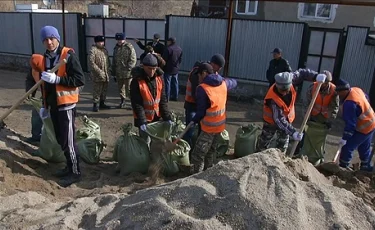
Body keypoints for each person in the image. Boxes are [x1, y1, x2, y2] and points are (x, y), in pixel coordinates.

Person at [38, 25, 85, 187]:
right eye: (45, 40)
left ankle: (76, 172)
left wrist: (58, 80)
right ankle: (69, 166)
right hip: (54, 105)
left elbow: (79, 79)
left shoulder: (68, 55)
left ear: (57, 38)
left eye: (51, 38)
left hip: (66, 105)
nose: (49, 42)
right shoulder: (45, 58)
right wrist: (45, 105)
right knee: (60, 139)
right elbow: (46, 85)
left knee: (68, 140)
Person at [256, 70, 326, 153]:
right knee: (263, 144)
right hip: (271, 122)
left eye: (287, 90)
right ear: (277, 86)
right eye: (282, 91)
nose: (285, 93)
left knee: (282, 145)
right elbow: (278, 119)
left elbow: (302, 73)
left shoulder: (291, 78)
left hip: (287, 120)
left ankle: (280, 160)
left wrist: (315, 76)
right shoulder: (273, 99)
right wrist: (293, 132)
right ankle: (258, 159)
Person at [190, 63, 237, 173]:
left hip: (209, 128)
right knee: (211, 150)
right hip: (220, 126)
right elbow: (234, 82)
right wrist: (225, 80)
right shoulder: (223, 83)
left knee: (198, 154)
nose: (199, 78)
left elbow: (201, 112)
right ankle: (209, 172)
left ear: (204, 73)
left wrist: (194, 120)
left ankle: (194, 176)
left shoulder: (202, 89)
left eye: (199, 75)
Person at [183, 54, 226, 146]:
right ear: (213, 64)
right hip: (192, 105)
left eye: (220, 68)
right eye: (218, 67)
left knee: (201, 130)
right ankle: (186, 151)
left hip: (203, 108)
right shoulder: (197, 73)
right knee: (189, 129)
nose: (218, 70)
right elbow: (196, 94)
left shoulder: (214, 74)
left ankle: (196, 148)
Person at [294, 71, 340, 156]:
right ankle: (299, 150)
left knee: (321, 135)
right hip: (313, 115)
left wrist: (330, 119)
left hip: (324, 117)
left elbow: (334, 107)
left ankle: (319, 153)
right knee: (306, 133)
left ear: (328, 82)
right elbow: (306, 104)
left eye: (325, 83)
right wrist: (306, 117)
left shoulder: (334, 91)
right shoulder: (313, 87)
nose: (323, 85)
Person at [130, 53, 172, 145]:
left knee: (157, 143)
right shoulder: (137, 81)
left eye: (154, 68)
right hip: (144, 118)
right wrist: (142, 121)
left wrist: (167, 116)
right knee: (145, 143)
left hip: (156, 117)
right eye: (149, 68)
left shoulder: (159, 79)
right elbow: (137, 103)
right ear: (143, 66)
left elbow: (163, 99)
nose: (152, 71)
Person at [335, 79, 375, 172]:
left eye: (339, 92)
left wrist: (345, 138)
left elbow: (351, 124)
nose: (338, 95)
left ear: (344, 91)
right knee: (364, 147)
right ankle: (366, 166)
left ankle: (343, 167)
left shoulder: (349, 104)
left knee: (348, 147)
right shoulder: (356, 89)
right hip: (372, 122)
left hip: (364, 127)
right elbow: (366, 97)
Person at [112, 32, 137, 109]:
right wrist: (113, 72)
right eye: (118, 40)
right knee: (120, 88)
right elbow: (114, 60)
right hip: (119, 72)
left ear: (124, 39)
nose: (119, 41)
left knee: (129, 89)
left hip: (127, 73)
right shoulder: (116, 48)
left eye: (121, 40)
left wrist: (129, 68)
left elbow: (133, 59)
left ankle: (133, 103)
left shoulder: (129, 47)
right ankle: (122, 101)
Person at [24, 55, 44, 146]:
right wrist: (29, 93)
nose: (35, 69)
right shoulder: (32, 69)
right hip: (45, 95)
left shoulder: (49, 68)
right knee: (36, 112)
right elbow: (30, 80)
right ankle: (36, 137)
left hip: (57, 96)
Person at [88, 35, 111, 112]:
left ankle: (102, 103)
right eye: (100, 42)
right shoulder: (93, 50)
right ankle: (95, 104)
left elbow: (108, 61)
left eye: (102, 42)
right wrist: (99, 72)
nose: (101, 43)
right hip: (97, 75)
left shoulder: (104, 50)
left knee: (104, 90)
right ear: (96, 42)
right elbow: (92, 63)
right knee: (97, 90)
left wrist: (109, 70)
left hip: (106, 74)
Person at [162, 37, 183, 101]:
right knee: (175, 83)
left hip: (168, 69)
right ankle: (175, 96)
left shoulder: (168, 49)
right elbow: (180, 59)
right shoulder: (179, 48)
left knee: (167, 83)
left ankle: (167, 97)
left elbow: (164, 60)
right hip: (176, 68)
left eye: (168, 41)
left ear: (170, 42)